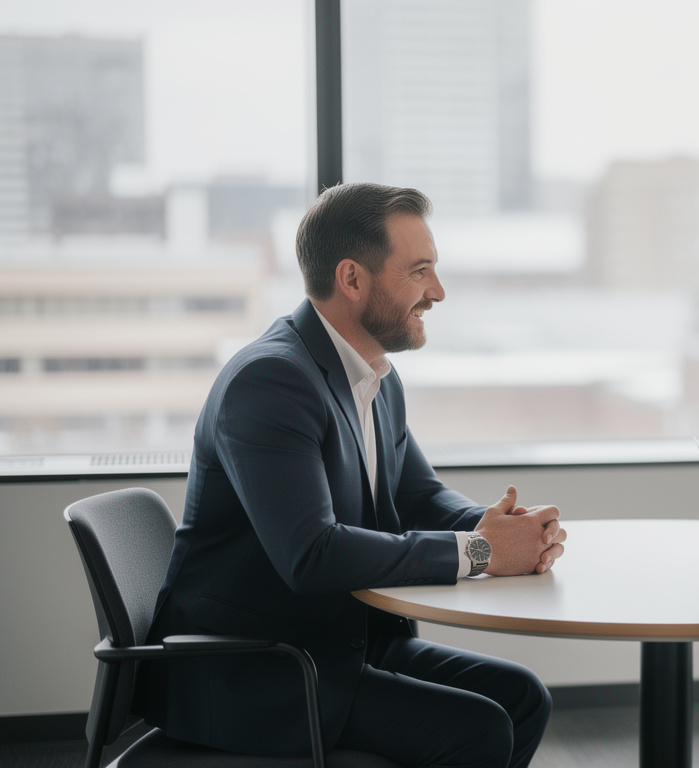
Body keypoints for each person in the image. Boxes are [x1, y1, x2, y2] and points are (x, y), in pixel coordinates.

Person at [137, 182, 567, 768]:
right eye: (419, 272)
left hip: (339, 645)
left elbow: (419, 496)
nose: (437, 293)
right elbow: (311, 554)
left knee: (523, 699)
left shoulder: (374, 376)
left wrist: (500, 529)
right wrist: (480, 553)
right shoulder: (270, 383)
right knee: (479, 731)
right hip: (258, 671)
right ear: (353, 279)